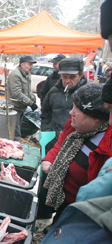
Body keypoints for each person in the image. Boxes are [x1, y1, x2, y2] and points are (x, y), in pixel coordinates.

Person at [40, 83, 111, 234]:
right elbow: (61, 142)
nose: (71, 112)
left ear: (97, 118)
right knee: (58, 222)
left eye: (77, 110)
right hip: (62, 197)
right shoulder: (75, 126)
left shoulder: (106, 147)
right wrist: (50, 158)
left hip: (82, 208)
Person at [40, 57, 88, 153]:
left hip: (78, 144)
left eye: (72, 77)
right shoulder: (53, 92)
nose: (67, 81)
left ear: (81, 75)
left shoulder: (88, 93)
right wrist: (48, 131)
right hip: (54, 141)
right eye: (64, 77)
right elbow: (45, 113)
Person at [6, 55, 38, 141]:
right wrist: (30, 103)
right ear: (22, 64)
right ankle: (15, 152)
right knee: (15, 134)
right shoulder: (15, 75)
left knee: (17, 131)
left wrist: (32, 97)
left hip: (21, 108)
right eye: (29, 64)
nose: (31, 67)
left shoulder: (27, 74)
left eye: (32, 64)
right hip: (14, 108)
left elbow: (27, 90)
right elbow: (16, 93)